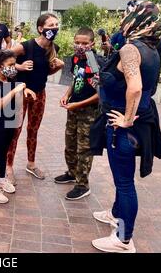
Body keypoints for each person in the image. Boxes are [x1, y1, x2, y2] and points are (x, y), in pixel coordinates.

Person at [90, 1, 161, 253]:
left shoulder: (132, 49)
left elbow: (136, 87)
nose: (124, 18)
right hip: (138, 121)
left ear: (137, 20)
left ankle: (123, 238)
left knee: (124, 182)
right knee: (124, 179)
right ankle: (115, 215)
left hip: (125, 126)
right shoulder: (152, 48)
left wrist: (126, 119)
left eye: (128, 15)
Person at [6, 13, 64, 184]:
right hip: (20, 93)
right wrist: (20, 66)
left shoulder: (53, 48)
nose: (54, 28)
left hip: (39, 94)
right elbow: (3, 60)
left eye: (56, 25)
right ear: (41, 28)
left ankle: (30, 164)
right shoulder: (26, 46)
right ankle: (8, 167)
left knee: (33, 130)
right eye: (50, 25)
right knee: (14, 130)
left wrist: (57, 68)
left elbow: (45, 72)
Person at [0, 50, 36, 203]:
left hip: (10, 121)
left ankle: (0, 179)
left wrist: (26, 89)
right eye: (11, 64)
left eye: (14, 64)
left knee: (4, 152)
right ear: (0, 66)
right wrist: (15, 91)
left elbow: (19, 88)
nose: (14, 67)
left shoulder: (9, 79)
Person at [54, 27, 101, 200]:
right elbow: (76, 79)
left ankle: (82, 185)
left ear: (92, 44)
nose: (80, 46)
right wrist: (67, 95)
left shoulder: (95, 62)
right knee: (70, 143)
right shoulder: (75, 59)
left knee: (84, 148)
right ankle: (72, 172)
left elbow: (100, 93)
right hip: (73, 107)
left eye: (84, 43)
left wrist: (78, 104)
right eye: (77, 42)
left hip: (88, 111)